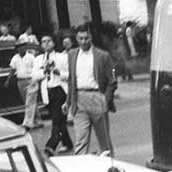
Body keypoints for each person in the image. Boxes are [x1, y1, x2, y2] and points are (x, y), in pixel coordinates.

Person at [67, 22, 117, 154]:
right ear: (76, 38)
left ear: (91, 37)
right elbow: (71, 80)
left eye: (86, 38)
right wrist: (68, 102)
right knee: (80, 140)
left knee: (104, 142)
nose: (83, 41)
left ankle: (111, 169)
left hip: (97, 97)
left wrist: (106, 99)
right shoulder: (72, 54)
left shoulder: (103, 55)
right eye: (80, 38)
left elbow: (113, 78)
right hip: (79, 99)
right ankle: (80, 171)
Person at [33, 33, 72, 152]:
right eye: (43, 41)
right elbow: (34, 76)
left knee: (56, 119)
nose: (46, 43)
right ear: (41, 45)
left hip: (60, 89)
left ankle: (51, 146)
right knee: (59, 119)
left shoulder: (62, 57)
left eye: (49, 41)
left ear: (53, 43)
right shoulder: (38, 59)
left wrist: (59, 73)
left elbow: (70, 75)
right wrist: (44, 71)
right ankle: (67, 143)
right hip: (47, 91)